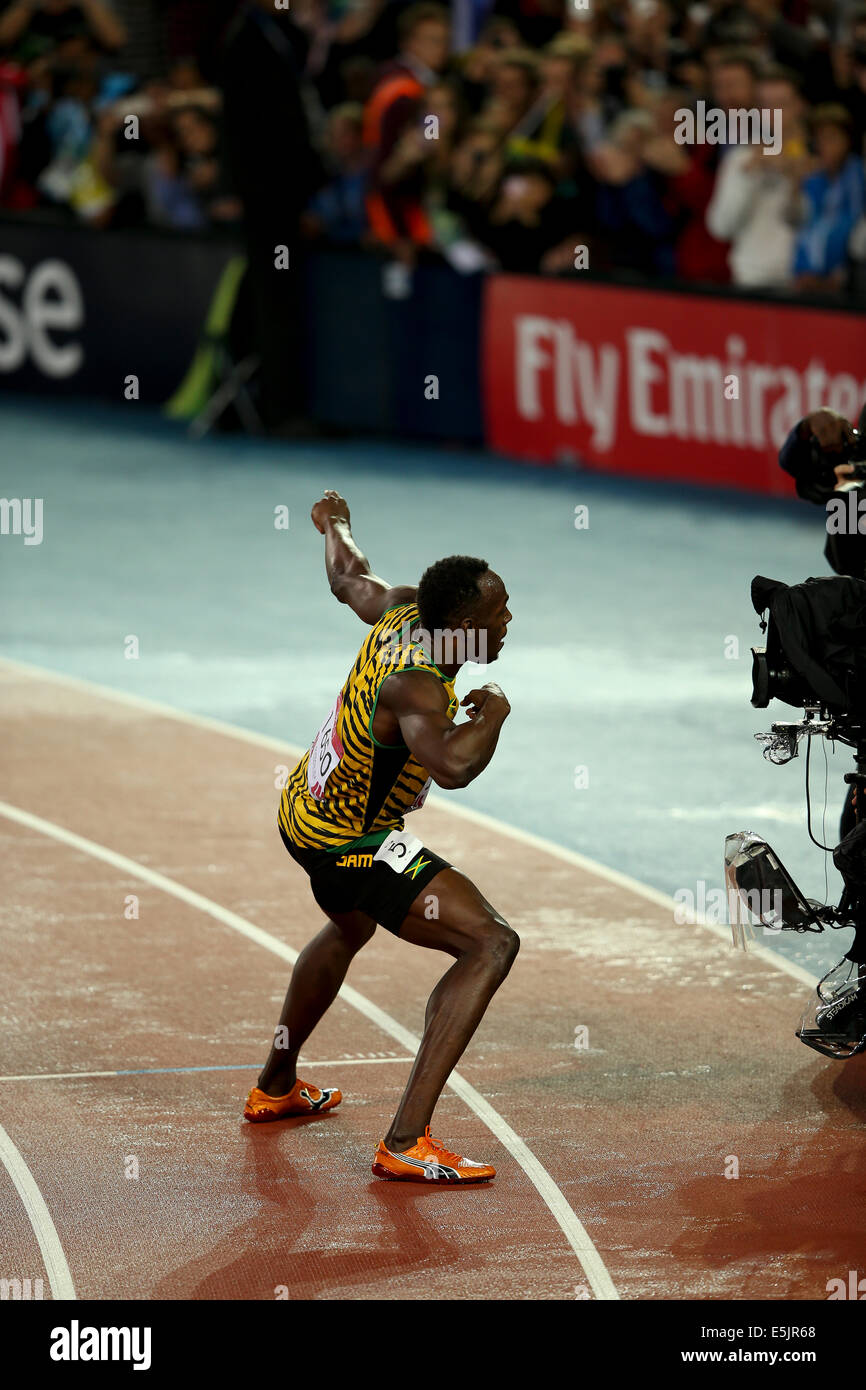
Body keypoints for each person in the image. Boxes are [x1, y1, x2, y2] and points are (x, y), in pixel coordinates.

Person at [245, 490, 517, 1185]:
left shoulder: (400, 608)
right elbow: (452, 766)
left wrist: (333, 523)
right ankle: (405, 1139)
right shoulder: (417, 687)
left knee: (349, 928)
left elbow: (347, 578)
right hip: (349, 839)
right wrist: (493, 715)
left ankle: (276, 1085)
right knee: (489, 942)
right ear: (462, 624)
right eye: (498, 614)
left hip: (304, 804)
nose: (509, 621)